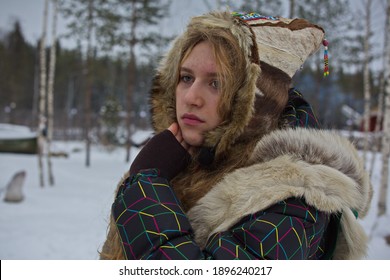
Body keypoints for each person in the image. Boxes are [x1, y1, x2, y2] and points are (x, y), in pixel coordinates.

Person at [100, 11, 372, 260]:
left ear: (255, 103)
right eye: (185, 78)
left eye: (216, 83)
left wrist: (144, 188)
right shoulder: (186, 165)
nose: (191, 97)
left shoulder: (294, 199)